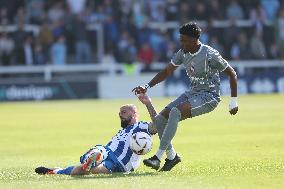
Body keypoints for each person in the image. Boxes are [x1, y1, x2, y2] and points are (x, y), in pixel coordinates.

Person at [132, 22, 239, 172]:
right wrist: (147, 86)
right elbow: (167, 71)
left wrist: (233, 101)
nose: (181, 43)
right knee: (161, 118)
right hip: (192, 92)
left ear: (195, 40)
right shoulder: (183, 53)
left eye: (184, 40)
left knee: (176, 111)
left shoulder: (210, 54)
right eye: (180, 40)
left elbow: (232, 74)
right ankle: (172, 156)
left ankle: (157, 156)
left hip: (209, 96)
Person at [35, 104, 157, 176]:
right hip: (110, 154)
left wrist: (148, 103)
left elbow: (157, 125)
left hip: (120, 161)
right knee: (82, 169)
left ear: (135, 113)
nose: (120, 115)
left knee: (98, 154)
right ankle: (57, 171)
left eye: (124, 112)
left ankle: (93, 159)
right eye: (119, 113)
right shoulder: (123, 131)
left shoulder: (140, 126)